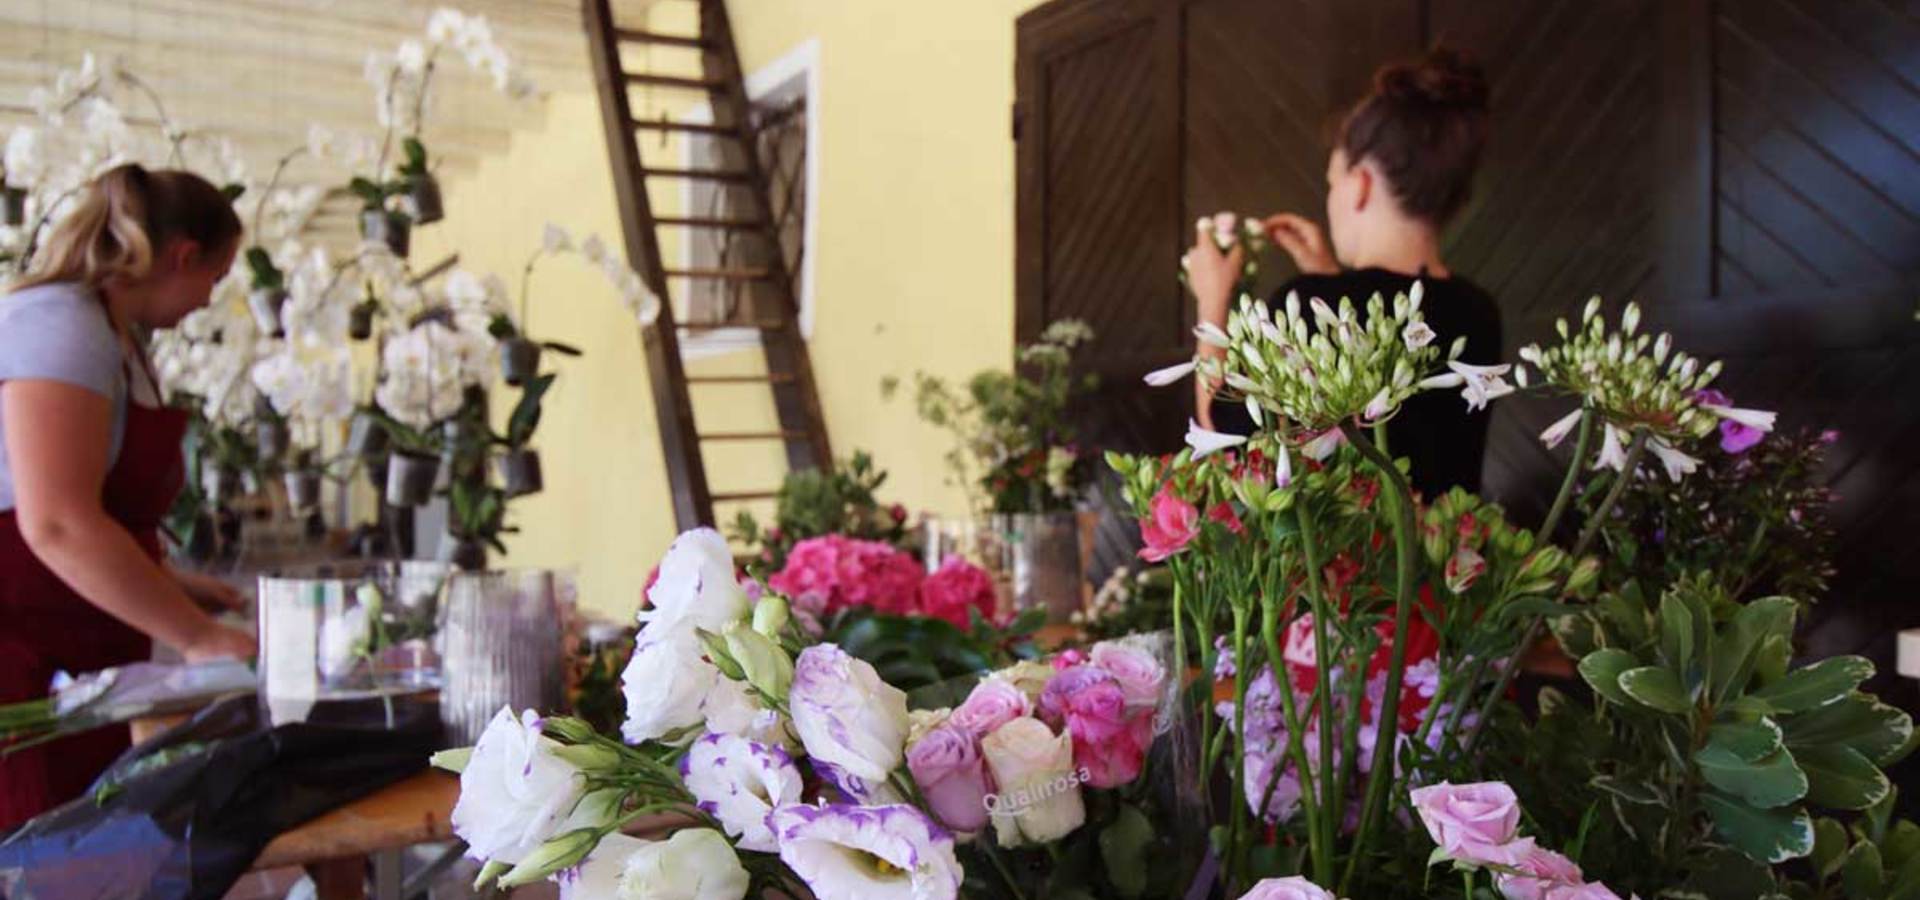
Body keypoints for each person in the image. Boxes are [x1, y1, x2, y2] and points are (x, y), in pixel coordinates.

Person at [0, 164, 257, 829]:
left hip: (73, 652)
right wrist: (197, 636)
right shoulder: (62, 324)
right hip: (18, 658)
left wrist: (170, 583)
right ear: (182, 256)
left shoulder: (116, 339)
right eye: (215, 278)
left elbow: (91, 514)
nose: (206, 300)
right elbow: (55, 523)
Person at [1186, 47, 1502, 498]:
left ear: (1360, 186)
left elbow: (1225, 431)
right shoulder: (1479, 311)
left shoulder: (1311, 301)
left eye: (1332, 181)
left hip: (1347, 567)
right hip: (1449, 562)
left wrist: (1212, 298)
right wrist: (1327, 276)